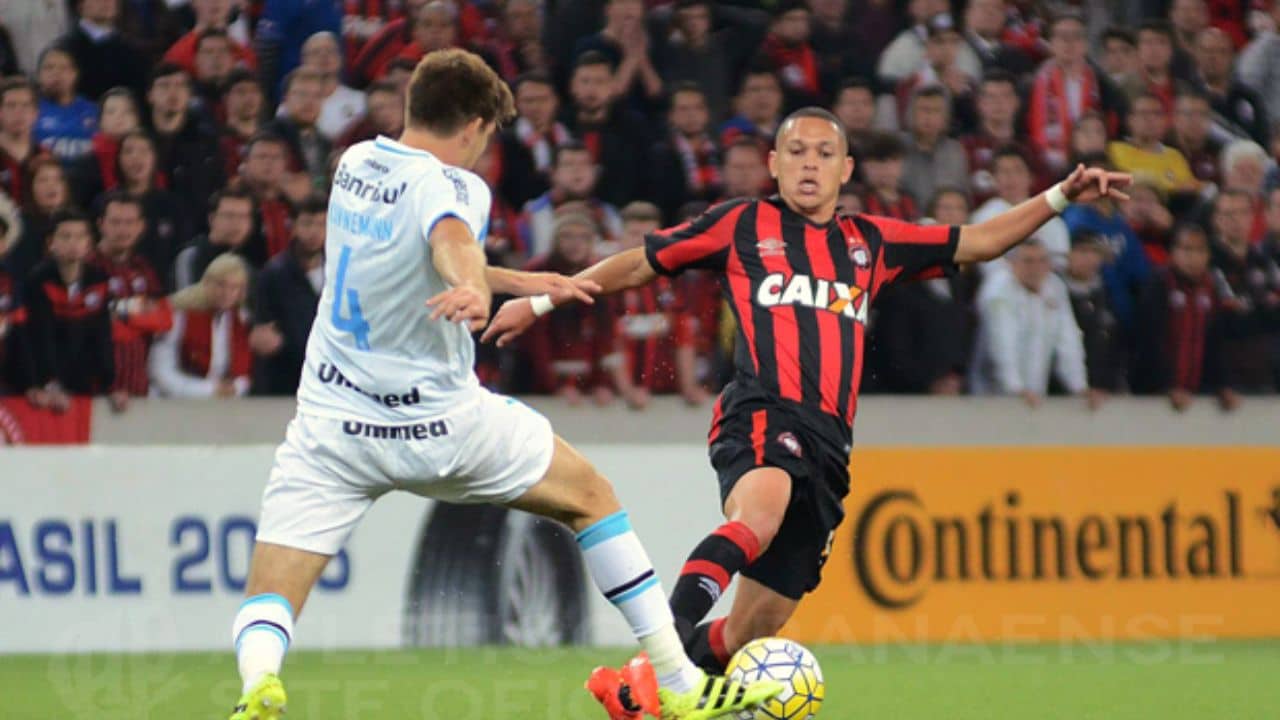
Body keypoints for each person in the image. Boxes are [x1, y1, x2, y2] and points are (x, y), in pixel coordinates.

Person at [483, 106, 1129, 693]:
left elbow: (978, 241)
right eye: (795, 152)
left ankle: (640, 687)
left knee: (747, 636)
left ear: (847, 169)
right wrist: (540, 300)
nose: (809, 164)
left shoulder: (871, 243)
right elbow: (640, 263)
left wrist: (1059, 195)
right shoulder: (743, 224)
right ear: (773, 165)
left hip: (829, 449)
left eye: (824, 153)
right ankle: (663, 651)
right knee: (761, 511)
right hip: (762, 411)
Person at [224, 48, 779, 720]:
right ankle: (682, 685)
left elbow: (411, 251)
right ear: (476, 125)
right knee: (592, 500)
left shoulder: (355, 168)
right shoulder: (457, 187)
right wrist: (472, 284)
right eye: (488, 137)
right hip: (442, 427)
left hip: (334, 427)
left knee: (273, 590)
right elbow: (450, 239)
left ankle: (259, 688)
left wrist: (512, 281)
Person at [969, 239, 1092, 405]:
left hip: (1034, 394)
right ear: (1012, 264)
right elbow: (1002, 342)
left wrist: (1079, 387)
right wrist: (1015, 388)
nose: (1036, 268)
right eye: (1028, 261)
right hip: (991, 394)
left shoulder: (1054, 287)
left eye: (1042, 260)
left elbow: (1068, 340)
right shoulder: (998, 290)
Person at [21, 208, 115, 412]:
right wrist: (48, 384)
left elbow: (102, 334)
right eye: (66, 236)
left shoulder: (99, 280)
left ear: (89, 243)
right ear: (51, 243)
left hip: (84, 381)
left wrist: (109, 384)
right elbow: (37, 338)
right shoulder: (36, 282)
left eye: (81, 236)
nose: (74, 243)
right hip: (43, 385)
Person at [90, 191, 172, 410]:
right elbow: (93, 321)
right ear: (101, 224)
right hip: (96, 392)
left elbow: (163, 319)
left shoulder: (144, 269)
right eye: (115, 222)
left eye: (129, 222)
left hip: (140, 387)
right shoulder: (88, 267)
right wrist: (139, 314)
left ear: (141, 226)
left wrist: (118, 311)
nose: (123, 229)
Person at [250, 193, 326, 396]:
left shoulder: (340, 272)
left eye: (322, 225)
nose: (314, 232)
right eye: (307, 224)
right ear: (293, 227)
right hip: (286, 384)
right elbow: (266, 335)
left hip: (329, 384)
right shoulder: (274, 274)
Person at [150, 252, 253, 398]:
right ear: (206, 283)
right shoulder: (179, 313)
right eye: (221, 285)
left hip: (221, 405)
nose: (227, 293)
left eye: (234, 287)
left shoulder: (240, 319)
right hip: (174, 403)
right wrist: (209, 390)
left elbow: (245, 373)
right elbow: (160, 372)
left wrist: (236, 388)